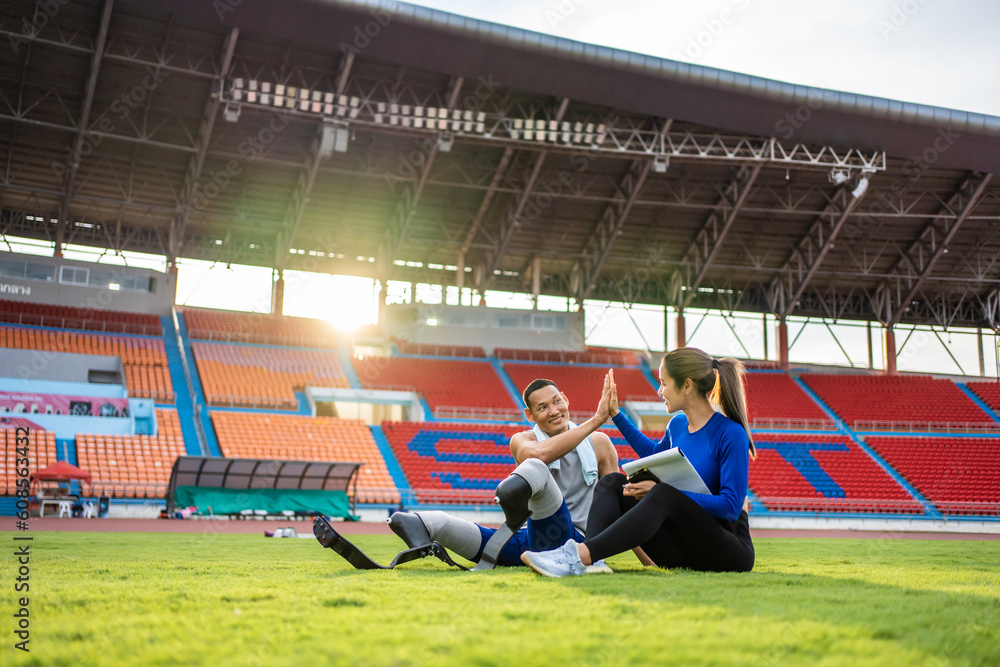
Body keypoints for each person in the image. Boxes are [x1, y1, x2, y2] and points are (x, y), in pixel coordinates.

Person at [520, 348, 756, 577]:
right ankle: (592, 559)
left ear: (686, 386)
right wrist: (616, 415)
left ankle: (578, 555)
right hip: (682, 549)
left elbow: (730, 507)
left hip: (728, 550)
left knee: (662, 491)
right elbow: (653, 454)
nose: (659, 390)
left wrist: (665, 490)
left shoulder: (731, 433)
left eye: (664, 383)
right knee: (613, 482)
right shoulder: (677, 425)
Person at [383, 378, 620, 570]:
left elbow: (618, 505)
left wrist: (643, 557)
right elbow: (541, 454)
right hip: (533, 541)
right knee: (437, 524)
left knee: (534, 466)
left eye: (557, 401)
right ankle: (419, 527)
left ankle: (513, 502)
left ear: (565, 399)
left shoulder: (599, 442)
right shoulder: (523, 440)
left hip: (575, 544)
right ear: (530, 415)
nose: (554, 411)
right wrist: (598, 419)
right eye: (543, 407)